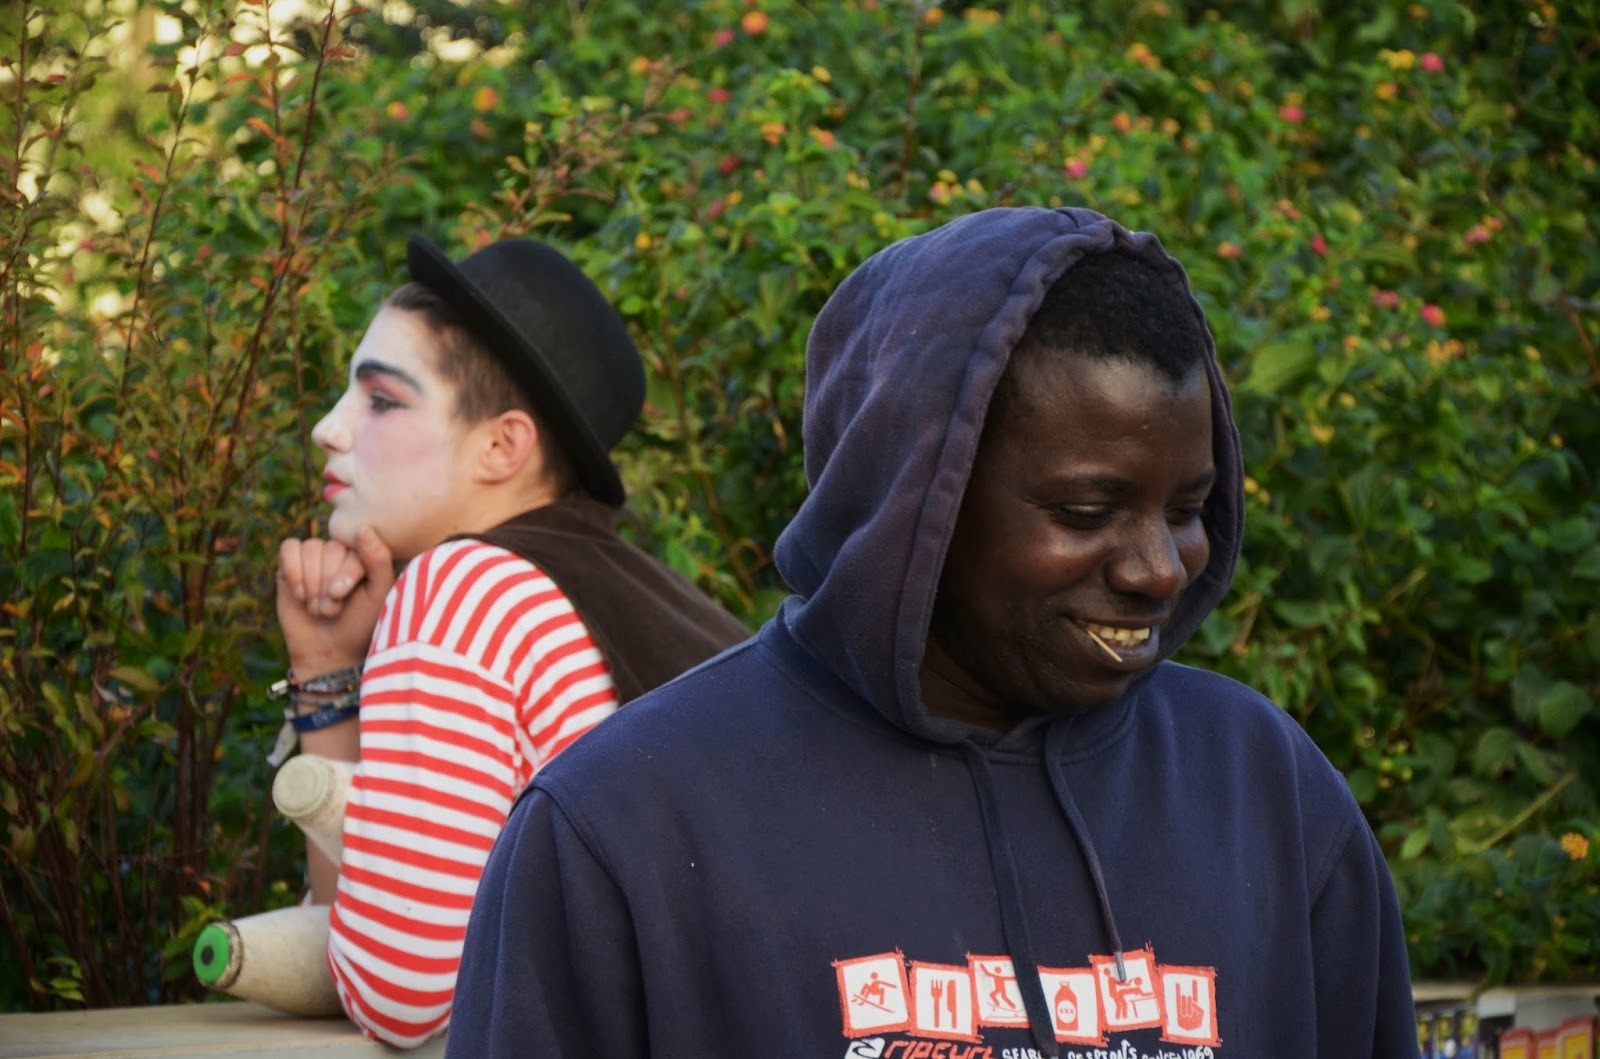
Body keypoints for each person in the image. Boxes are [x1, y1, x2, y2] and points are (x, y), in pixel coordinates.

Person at [445, 207, 1419, 1055]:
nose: (1158, 569)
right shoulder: (624, 828)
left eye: (1188, 509)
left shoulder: (1266, 794)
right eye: (1086, 512)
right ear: (912, 499)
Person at [271, 233, 749, 1047]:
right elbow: (372, 929)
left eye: (380, 400)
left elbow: (395, 988)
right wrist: (328, 668)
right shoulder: (626, 593)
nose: (328, 428)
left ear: (501, 446)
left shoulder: (462, 593)